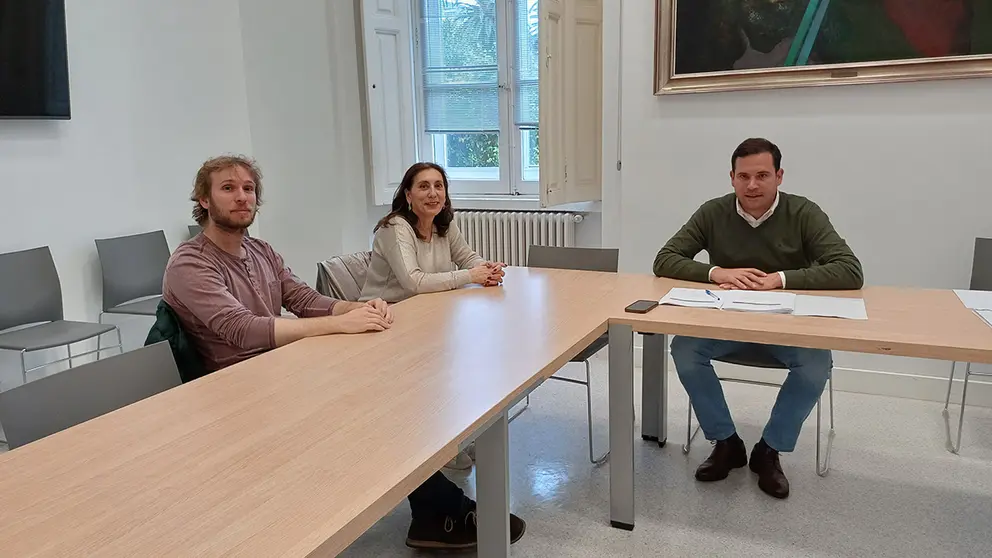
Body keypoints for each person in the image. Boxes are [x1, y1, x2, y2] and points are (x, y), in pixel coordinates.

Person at [163, 155, 525, 550]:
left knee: (385, 401)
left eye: (248, 189)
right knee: (364, 413)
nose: (241, 197)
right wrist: (339, 324)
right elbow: (242, 330)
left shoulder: (260, 250)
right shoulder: (190, 262)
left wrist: (357, 308)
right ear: (204, 200)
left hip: (279, 371)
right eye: (228, 188)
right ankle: (437, 510)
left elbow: (304, 299)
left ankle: (434, 511)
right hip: (233, 395)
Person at [653, 138, 863, 499]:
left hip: (787, 328)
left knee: (816, 364)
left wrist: (780, 279)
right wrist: (716, 272)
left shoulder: (803, 213)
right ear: (732, 178)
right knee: (684, 349)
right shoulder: (713, 212)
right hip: (729, 325)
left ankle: (769, 450)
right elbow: (665, 259)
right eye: (744, 176)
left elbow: (850, 270)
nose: (752, 185)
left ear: (779, 176)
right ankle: (726, 442)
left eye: (762, 175)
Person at [361, 162, 506, 471]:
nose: (433, 193)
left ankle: (454, 436)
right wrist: (470, 276)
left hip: (428, 316)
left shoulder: (444, 224)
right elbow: (413, 281)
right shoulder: (395, 228)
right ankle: (438, 447)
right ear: (408, 195)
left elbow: (466, 257)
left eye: (439, 186)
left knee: (467, 360)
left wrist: (487, 268)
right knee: (440, 372)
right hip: (388, 321)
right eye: (424, 186)